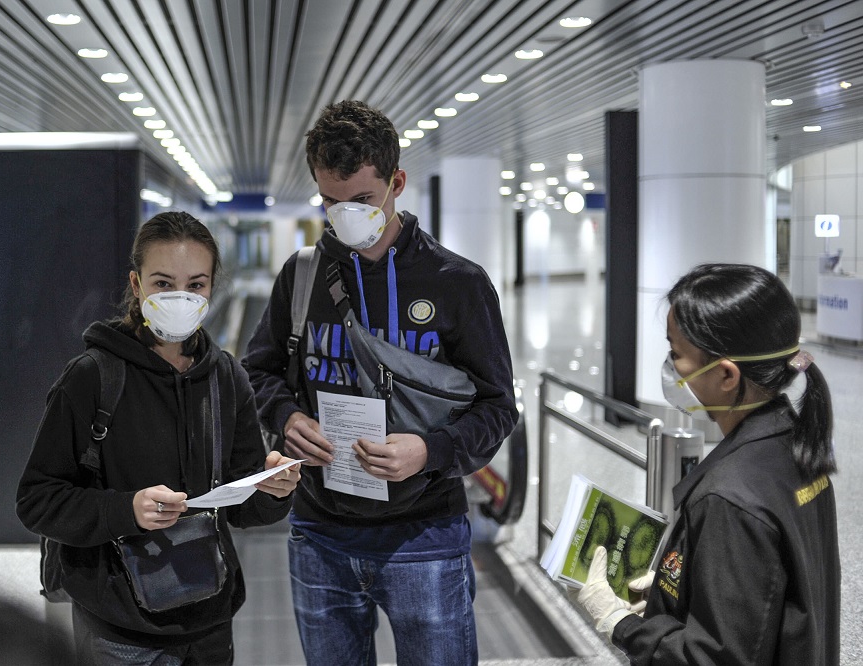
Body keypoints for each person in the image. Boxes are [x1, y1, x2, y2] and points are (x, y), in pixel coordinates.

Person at [241, 99, 519, 665]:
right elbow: (259, 371)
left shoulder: (456, 283)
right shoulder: (302, 276)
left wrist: (430, 450)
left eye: (362, 200)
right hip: (319, 531)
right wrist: (287, 419)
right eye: (330, 202)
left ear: (397, 182)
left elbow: (497, 406)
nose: (345, 216)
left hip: (426, 536)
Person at [16, 211, 301, 665]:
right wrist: (126, 509)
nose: (180, 298)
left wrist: (272, 489)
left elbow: (245, 507)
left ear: (212, 289)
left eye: (196, 285)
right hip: (119, 630)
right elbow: (37, 499)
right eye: (164, 284)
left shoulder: (226, 377)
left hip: (208, 619)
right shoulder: (92, 378)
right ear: (136, 285)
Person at [574, 263, 840, 664]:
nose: (669, 367)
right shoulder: (796, 445)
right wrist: (673, 591)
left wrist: (620, 624)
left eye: (675, 353)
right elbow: (767, 599)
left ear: (726, 375)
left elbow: (715, 657)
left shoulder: (728, 498)